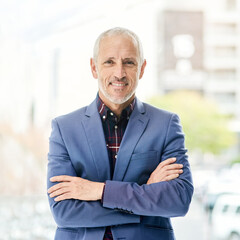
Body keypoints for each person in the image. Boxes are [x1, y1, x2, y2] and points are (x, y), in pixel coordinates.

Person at [47, 27, 193, 240]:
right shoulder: (64, 128)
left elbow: (178, 201)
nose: (119, 73)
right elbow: (64, 212)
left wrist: (99, 191)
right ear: (94, 67)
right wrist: (144, 196)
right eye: (109, 62)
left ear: (142, 69)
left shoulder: (166, 124)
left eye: (129, 62)